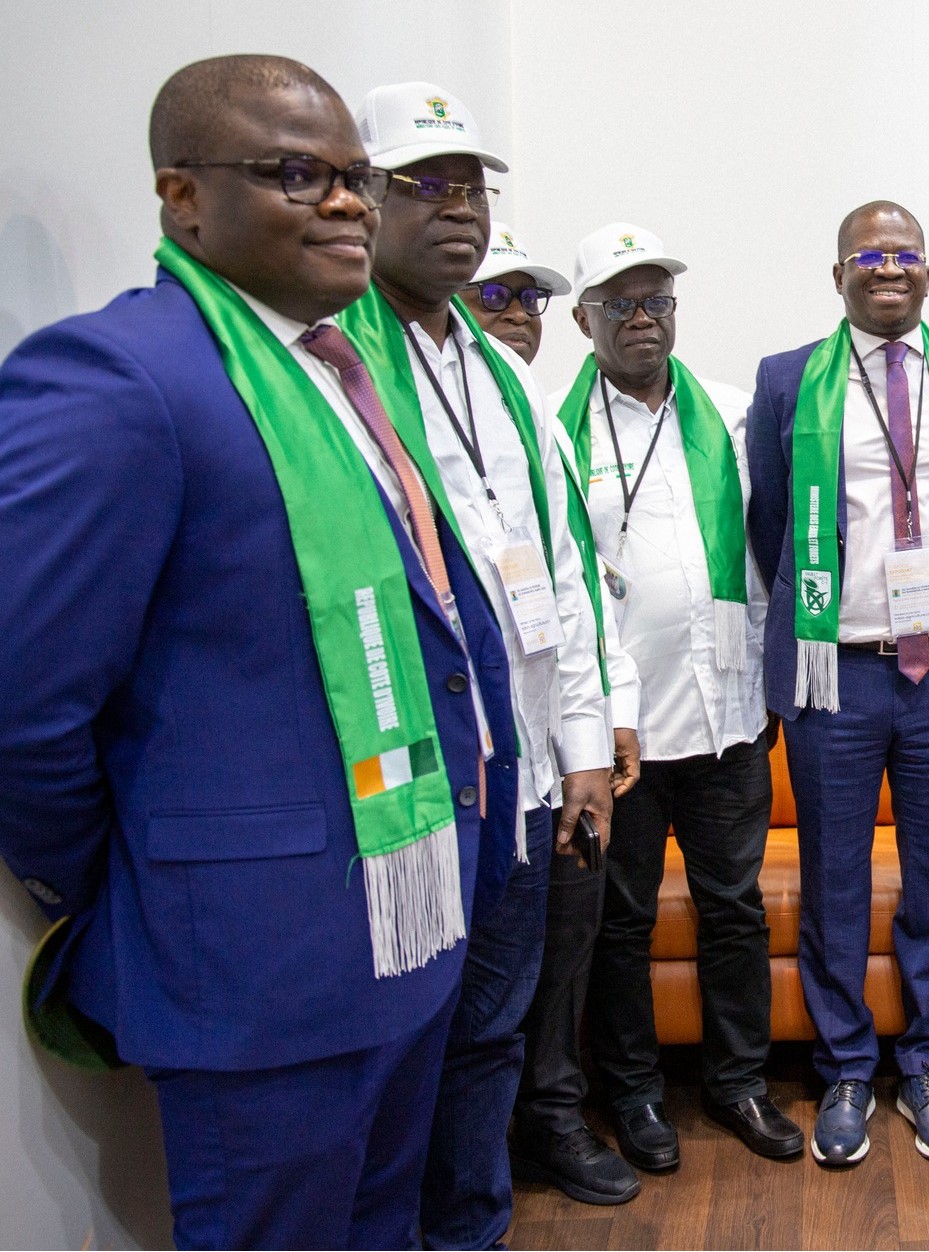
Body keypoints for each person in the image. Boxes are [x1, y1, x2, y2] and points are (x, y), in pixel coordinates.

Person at [0, 55, 516, 1248]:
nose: (346, 203)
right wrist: (148, 879)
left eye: (354, 177)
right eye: (297, 174)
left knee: (386, 1224)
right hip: (260, 969)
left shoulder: (338, 367)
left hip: (410, 928)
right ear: (182, 196)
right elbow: (25, 707)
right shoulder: (121, 379)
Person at [346, 81, 614, 1249]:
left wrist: (584, 752)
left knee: (494, 1029)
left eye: (473, 189)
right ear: (364, 198)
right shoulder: (334, 360)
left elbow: (560, 575)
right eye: (427, 187)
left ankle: (472, 1229)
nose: (458, 211)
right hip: (414, 780)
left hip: (523, 779)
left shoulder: (506, 379)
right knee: (403, 1040)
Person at [515, 220, 792, 1201]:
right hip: (619, 739)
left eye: (657, 302)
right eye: (621, 304)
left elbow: (765, 556)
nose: (643, 319)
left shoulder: (728, 409)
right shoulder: (551, 429)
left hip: (727, 717)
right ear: (584, 318)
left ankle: (739, 1084)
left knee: (732, 911)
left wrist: (771, 691)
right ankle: (632, 1096)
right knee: (622, 924)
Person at [746, 201, 929, 1167]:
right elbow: (772, 524)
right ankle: (847, 1067)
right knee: (835, 881)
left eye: (906, 255)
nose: (888, 268)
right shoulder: (785, 383)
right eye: (869, 254)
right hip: (837, 677)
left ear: (928, 274)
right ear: (839, 273)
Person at [458, 222, 569, 365]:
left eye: (530, 299)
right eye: (493, 296)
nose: (520, 315)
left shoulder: (532, 387)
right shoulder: (425, 384)